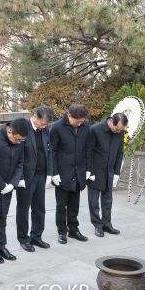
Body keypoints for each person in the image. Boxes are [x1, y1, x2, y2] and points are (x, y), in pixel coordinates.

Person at [0, 118, 28, 263]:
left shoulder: (20, 141)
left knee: (2, 218)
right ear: (9, 132)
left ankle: (2, 246)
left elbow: (20, 163)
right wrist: (1, 185)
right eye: (18, 139)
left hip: (8, 187)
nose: (19, 142)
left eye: (22, 140)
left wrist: (12, 184)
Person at [50, 104, 90, 244]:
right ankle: (62, 231)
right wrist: (54, 173)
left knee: (75, 203)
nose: (80, 123)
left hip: (78, 171)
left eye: (82, 121)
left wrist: (87, 169)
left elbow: (87, 149)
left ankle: (73, 229)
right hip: (62, 172)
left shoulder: (85, 127)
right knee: (61, 204)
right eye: (77, 121)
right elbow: (52, 152)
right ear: (69, 115)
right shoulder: (57, 128)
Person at [15, 106, 54, 252]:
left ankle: (36, 236)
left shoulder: (45, 130)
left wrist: (50, 172)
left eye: (46, 124)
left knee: (39, 208)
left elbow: (49, 151)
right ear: (34, 117)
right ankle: (23, 239)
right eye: (42, 123)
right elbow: (18, 154)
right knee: (23, 209)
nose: (44, 126)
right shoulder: (23, 127)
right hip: (26, 176)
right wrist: (20, 177)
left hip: (41, 174)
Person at [87, 112, 127, 237]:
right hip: (95, 171)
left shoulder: (120, 132)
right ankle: (97, 225)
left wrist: (116, 172)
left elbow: (120, 153)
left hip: (109, 171)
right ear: (111, 122)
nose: (118, 131)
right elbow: (88, 152)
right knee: (93, 201)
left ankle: (107, 224)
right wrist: (90, 171)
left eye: (121, 129)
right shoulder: (95, 129)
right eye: (117, 128)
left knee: (108, 199)